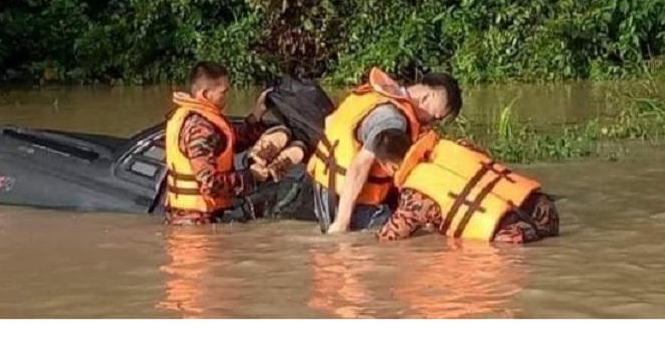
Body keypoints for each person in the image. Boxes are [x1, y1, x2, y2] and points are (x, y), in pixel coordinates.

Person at [307, 67, 462, 234]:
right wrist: (341, 223)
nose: (431, 123)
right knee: (416, 232)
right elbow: (360, 164)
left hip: (324, 186)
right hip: (339, 200)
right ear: (428, 97)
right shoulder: (393, 119)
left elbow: (329, 121)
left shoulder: (378, 94)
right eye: (435, 117)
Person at [163, 61, 305, 225]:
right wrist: (251, 177)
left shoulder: (196, 117)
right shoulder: (199, 128)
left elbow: (231, 142)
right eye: (223, 92)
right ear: (206, 94)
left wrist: (258, 111)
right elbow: (209, 183)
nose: (227, 97)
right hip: (196, 225)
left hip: (195, 219)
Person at [371, 129, 560, 244]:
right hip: (546, 211)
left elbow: (390, 238)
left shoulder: (415, 195)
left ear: (388, 166)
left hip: (512, 236)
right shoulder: (458, 145)